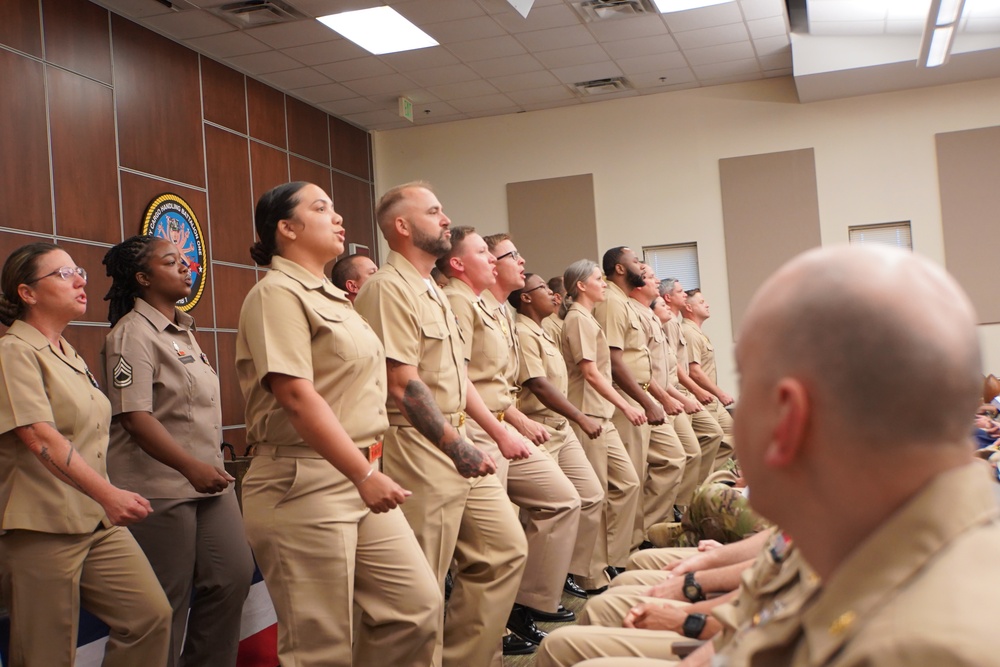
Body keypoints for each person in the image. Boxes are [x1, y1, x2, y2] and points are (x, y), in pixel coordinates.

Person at [236, 182, 440, 667]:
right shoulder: (275, 294)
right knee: (320, 647)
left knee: (415, 609)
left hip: (361, 472)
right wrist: (363, 474)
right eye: (320, 208)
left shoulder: (334, 297)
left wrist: (367, 472)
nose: (338, 216)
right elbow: (295, 397)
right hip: (304, 483)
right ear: (287, 228)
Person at [354, 181, 527, 667]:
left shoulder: (433, 288)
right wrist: (456, 445)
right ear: (402, 226)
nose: (445, 219)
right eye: (433, 212)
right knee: (421, 584)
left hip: (457, 434)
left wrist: (487, 434)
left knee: (504, 551)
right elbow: (401, 384)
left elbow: (456, 376)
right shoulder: (387, 288)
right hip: (418, 443)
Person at [0, 242, 171, 667]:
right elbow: (39, 436)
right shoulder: (14, 352)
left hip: (94, 519)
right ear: (27, 293)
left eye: (80, 271)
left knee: (150, 617)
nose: (80, 280)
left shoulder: (67, 352)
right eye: (63, 274)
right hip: (43, 525)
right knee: (44, 655)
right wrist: (110, 495)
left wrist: (103, 499)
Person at [101, 235, 254, 667]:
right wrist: (190, 467)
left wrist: (203, 469)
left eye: (185, 260)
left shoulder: (183, 331)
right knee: (164, 604)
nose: (186, 267)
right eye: (171, 262)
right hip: (160, 487)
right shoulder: (131, 334)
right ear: (143, 278)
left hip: (209, 483)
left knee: (233, 576)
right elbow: (135, 417)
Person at [439, 229, 581, 646]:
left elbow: (498, 385)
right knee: (487, 545)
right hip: (476, 429)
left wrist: (515, 420)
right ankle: (490, 628)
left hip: (500, 423)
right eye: (508, 255)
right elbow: (462, 379)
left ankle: (522, 604)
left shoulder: (495, 309)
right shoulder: (459, 302)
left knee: (563, 500)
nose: (520, 261)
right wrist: (503, 428)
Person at [509, 272, 605, 600]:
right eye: (543, 290)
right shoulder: (523, 332)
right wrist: (580, 416)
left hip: (560, 428)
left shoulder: (545, 331)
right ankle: (532, 594)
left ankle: (564, 571)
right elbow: (537, 384)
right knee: (546, 507)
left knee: (591, 495)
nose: (553, 295)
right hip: (539, 427)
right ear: (525, 297)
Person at [559, 259, 641, 592]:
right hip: (588, 415)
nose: (604, 283)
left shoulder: (588, 318)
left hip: (601, 415)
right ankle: (589, 573)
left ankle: (614, 559)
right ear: (581, 286)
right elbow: (590, 373)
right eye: (597, 278)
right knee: (596, 495)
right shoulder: (578, 319)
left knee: (628, 483)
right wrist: (626, 404)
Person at [595, 247, 675, 551]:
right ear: (619, 268)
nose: (642, 267)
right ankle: (620, 551)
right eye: (635, 262)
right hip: (626, 397)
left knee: (639, 476)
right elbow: (614, 362)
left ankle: (639, 538)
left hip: (640, 394)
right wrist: (648, 401)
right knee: (626, 483)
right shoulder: (611, 303)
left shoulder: (623, 301)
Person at [660, 279, 724, 485]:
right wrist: (699, 391)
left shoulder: (675, 323)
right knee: (687, 451)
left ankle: (702, 486)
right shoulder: (672, 323)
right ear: (668, 297)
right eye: (680, 292)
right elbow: (680, 367)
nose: (684, 295)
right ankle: (692, 492)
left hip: (685, 393)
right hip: (679, 393)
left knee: (708, 439)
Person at [681, 289, 734, 469]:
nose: (707, 305)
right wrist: (720, 394)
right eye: (702, 302)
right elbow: (694, 371)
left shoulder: (698, 332)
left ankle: (708, 474)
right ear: (689, 307)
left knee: (733, 434)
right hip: (702, 398)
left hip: (712, 399)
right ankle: (699, 479)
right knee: (711, 437)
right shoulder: (689, 333)